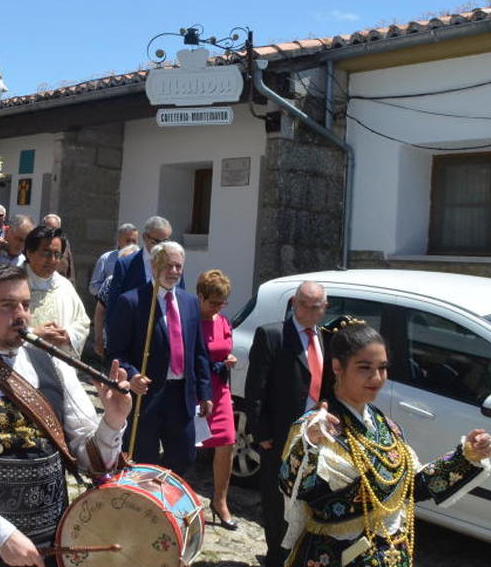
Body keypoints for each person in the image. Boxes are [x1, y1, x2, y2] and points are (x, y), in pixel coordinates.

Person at [0, 264, 132, 567]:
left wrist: (112, 420)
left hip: (56, 545)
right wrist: (2, 535)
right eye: (7, 306)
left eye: (25, 305)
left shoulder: (56, 366)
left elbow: (89, 461)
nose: (21, 315)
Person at [279, 320, 491, 567]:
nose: (377, 377)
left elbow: (409, 488)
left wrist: (466, 456)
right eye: (364, 368)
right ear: (338, 367)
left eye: (382, 368)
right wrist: (310, 445)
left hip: (391, 553)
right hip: (336, 557)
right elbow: (294, 488)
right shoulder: (316, 426)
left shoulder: (386, 426)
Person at [105, 241, 211, 476]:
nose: (173, 271)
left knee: (183, 459)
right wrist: (132, 376)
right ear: (154, 266)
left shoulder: (190, 303)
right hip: (148, 396)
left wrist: (205, 392)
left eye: (178, 266)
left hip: (181, 396)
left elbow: (199, 350)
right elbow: (115, 353)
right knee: (144, 461)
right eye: (168, 266)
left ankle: (170, 506)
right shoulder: (132, 301)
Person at [244, 280, 329, 567]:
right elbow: (256, 389)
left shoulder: (325, 337)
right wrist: (262, 433)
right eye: (305, 304)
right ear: (294, 303)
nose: (311, 311)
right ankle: (276, 557)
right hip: (281, 434)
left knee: (307, 499)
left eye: (317, 306)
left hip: (316, 435)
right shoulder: (273, 336)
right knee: (276, 500)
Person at [196, 269, 239, 531]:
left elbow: (224, 350)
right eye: (213, 302)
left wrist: (228, 361)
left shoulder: (223, 321)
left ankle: (220, 501)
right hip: (198, 391)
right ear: (200, 297)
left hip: (220, 390)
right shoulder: (190, 320)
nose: (217, 307)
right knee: (191, 445)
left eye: (222, 303)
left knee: (227, 443)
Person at [23, 225, 90, 359]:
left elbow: (82, 322)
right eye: (46, 253)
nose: (52, 260)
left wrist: (68, 335)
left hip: (58, 366)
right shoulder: (12, 283)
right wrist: (33, 334)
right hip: (22, 365)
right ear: (29, 252)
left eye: (57, 254)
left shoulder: (64, 286)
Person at [105, 215, 177, 314]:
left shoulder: (174, 266)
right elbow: (113, 306)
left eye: (165, 241)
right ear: (145, 237)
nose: (161, 246)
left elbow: (178, 300)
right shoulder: (125, 265)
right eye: (156, 241)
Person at [90, 243, 139, 357]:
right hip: (111, 342)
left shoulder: (144, 283)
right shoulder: (110, 281)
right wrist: (98, 338)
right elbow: (100, 311)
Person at [88, 223, 139, 297]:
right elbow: (93, 287)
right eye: (128, 241)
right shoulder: (106, 259)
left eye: (134, 241)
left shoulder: (142, 260)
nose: (131, 244)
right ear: (119, 240)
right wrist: (111, 291)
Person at [39, 214, 74, 280]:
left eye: (54, 229)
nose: (52, 232)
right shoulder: (35, 245)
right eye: (48, 229)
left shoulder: (65, 247)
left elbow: (70, 273)